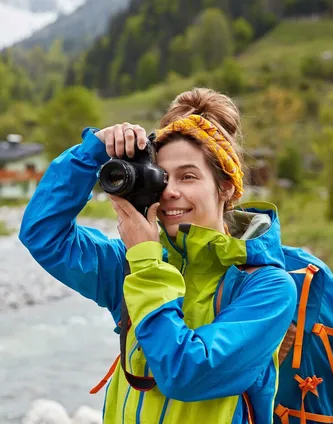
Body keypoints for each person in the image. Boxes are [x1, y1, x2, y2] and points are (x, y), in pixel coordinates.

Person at [19, 87, 298, 423]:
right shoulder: (128, 264)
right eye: (163, 178)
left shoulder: (266, 287)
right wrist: (93, 151)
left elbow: (186, 373)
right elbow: (42, 233)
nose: (172, 192)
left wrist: (148, 261)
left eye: (189, 176)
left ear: (226, 187)